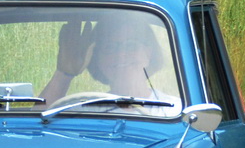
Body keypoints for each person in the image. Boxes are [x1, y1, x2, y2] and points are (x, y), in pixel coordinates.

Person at [41, 15, 173, 106]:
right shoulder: (86, 111)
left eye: (131, 45)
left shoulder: (174, 109)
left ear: (148, 53)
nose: (121, 54)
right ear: (97, 58)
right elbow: (37, 129)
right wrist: (64, 74)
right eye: (110, 47)